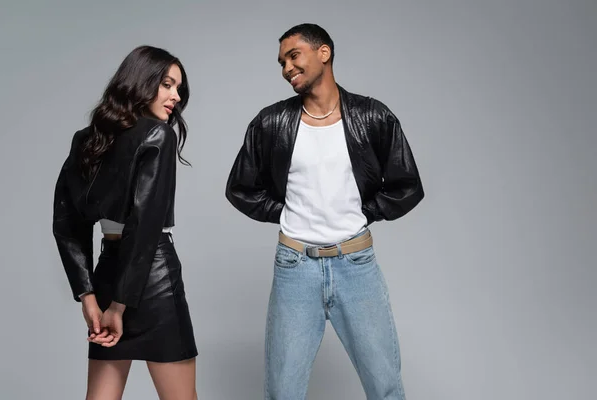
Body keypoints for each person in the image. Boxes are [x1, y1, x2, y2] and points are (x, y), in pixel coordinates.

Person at [225, 23, 424, 400]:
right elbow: (239, 188)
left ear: (324, 53)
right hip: (294, 267)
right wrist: (286, 213)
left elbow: (408, 185)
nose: (286, 68)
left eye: (293, 56)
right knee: (283, 391)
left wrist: (365, 212)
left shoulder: (372, 116)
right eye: (282, 62)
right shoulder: (271, 123)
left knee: (385, 387)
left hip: (356, 264)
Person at [52, 45, 198, 400]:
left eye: (178, 89)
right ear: (140, 82)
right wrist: (119, 306)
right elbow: (145, 225)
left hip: (108, 272)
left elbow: (66, 222)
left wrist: (89, 296)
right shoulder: (157, 135)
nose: (175, 97)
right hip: (154, 276)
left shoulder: (87, 140)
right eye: (166, 84)